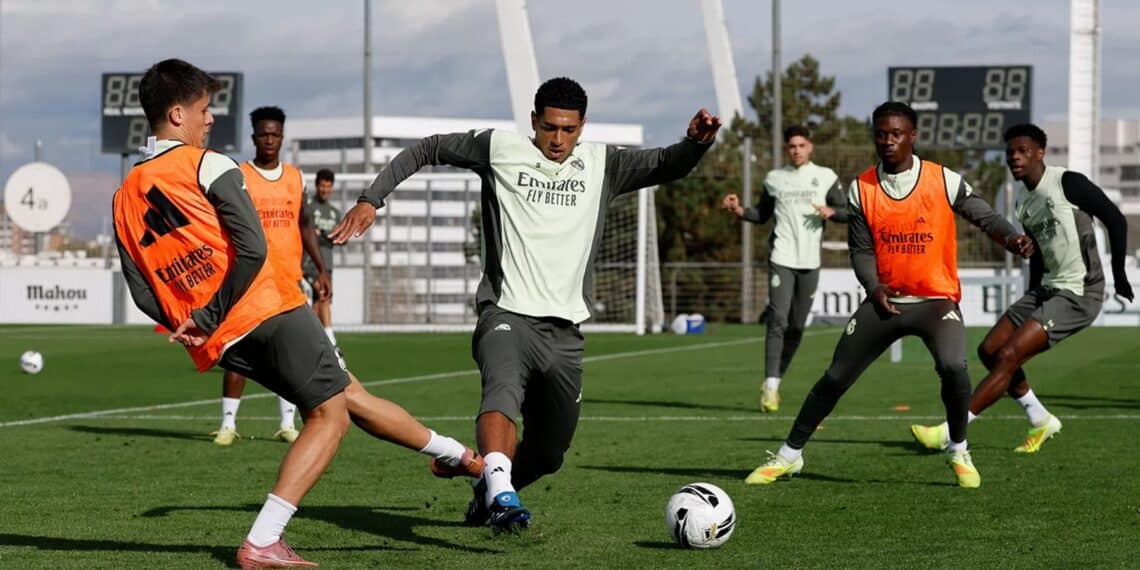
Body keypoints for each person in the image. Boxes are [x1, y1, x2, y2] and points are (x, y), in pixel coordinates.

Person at [113, 59, 482, 568]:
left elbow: (141, 291)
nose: (210, 118)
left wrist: (196, 322)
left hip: (226, 339)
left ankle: (460, 458)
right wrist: (213, 311)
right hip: (268, 309)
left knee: (347, 395)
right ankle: (263, 540)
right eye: (204, 109)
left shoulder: (123, 197)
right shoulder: (209, 164)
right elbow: (253, 250)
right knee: (330, 415)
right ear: (177, 114)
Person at [331, 77, 721, 532]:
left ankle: (487, 485)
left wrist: (695, 143)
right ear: (534, 121)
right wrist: (371, 198)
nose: (558, 139)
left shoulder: (603, 164)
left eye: (569, 130)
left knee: (549, 454)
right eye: (549, 127)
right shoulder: (498, 149)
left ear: (582, 126)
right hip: (507, 314)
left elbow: (667, 164)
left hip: (565, 333)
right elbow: (428, 147)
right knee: (501, 392)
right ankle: (501, 493)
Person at [742, 101, 1033, 489]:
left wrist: (1012, 237)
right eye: (881, 134)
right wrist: (873, 288)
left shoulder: (942, 179)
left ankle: (958, 449)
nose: (888, 140)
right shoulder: (862, 188)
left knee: (954, 367)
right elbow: (861, 250)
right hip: (885, 301)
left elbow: (985, 216)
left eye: (897, 133)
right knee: (835, 376)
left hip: (935, 301)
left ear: (913, 136)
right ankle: (789, 456)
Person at [911, 123, 1132, 453]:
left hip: (1079, 293)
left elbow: (1115, 219)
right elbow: (1040, 257)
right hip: (1047, 289)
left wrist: (1119, 275)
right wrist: (1031, 293)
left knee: (1009, 355)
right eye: (1010, 152)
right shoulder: (1023, 203)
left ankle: (951, 432)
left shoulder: (1067, 183)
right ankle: (1040, 419)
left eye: (1022, 151)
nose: (1014, 157)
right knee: (989, 350)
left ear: (1040, 153)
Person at [210, 106, 331, 446]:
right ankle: (228, 424)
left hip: (287, 282)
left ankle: (286, 423)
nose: (269, 140)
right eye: (263, 134)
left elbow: (304, 224)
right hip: (249, 281)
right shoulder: (239, 176)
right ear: (254, 137)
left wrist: (321, 269)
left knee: (289, 356)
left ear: (282, 137)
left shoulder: (295, 177)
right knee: (239, 350)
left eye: (275, 134)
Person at [721, 125, 848, 412]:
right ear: (786, 149)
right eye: (792, 146)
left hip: (810, 261)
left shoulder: (825, 177)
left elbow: (848, 212)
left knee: (797, 326)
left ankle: (774, 379)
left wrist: (831, 212)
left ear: (810, 147)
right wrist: (739, 210)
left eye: (801, 145)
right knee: (777, 319)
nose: (797, 151)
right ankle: (771, 387)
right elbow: (761, 214)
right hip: (782, 256)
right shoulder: (775, 179)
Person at [302, 168, 342, 345]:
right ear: (317, 186)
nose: (325, 190)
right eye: (322, 186)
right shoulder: (309, 207)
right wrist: (322, 235)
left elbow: (341, 238)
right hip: (309, 264)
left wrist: (325, 235)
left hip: (327, 265)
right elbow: (305, 232)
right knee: (319, 297)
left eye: (328, 186)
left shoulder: (334, 212)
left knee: (320, 303)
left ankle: (316, 341)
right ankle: (330, 341)